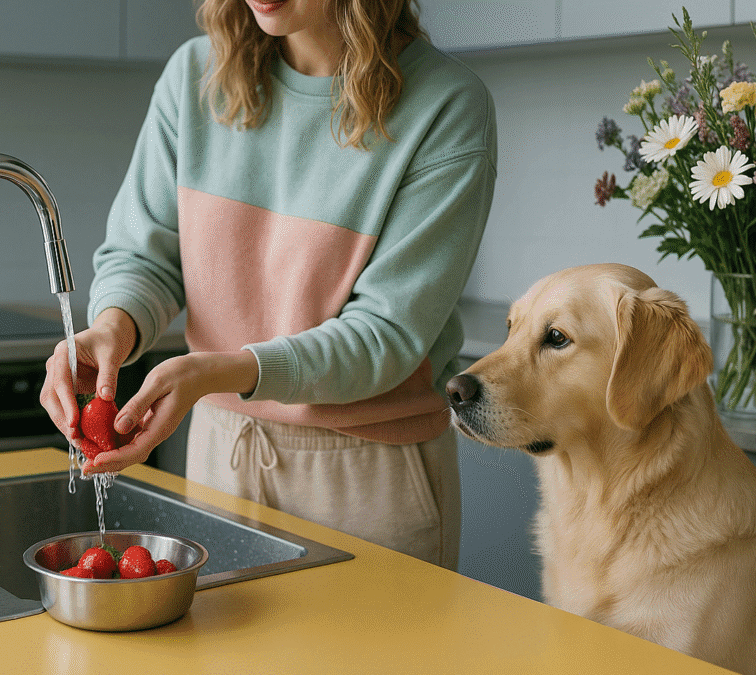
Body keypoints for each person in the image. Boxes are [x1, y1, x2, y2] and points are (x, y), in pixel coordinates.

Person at [40, 0, 496, 569]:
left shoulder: (446, 106)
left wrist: (225, 371)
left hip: (368, 474)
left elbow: (385, 336)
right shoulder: (194, 77)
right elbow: (145, 255)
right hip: (219, 451)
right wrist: (113, 327)